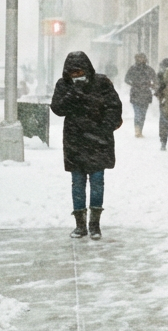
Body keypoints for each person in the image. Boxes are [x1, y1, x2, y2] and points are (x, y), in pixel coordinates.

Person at [51, 51, 123, 240]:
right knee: (78, 183)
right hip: (75, 141)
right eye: (73, 73)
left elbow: (114, 107)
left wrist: (104, 127)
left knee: (97, 182)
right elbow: (57, 108)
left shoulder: (102, 83)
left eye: (80, 71)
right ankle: (80, 225)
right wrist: (73, 94)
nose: (77, 76)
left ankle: (95, 225)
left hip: (98, 141)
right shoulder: (63, 85)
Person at [124, 53, 156, 138]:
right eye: (139, 58)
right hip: (136, 93)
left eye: (142, 58)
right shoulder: (133, 69)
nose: (141, 59)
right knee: (138, 113)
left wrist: (152, 85)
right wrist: (134, 84)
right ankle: (137, 130)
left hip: (145, 94)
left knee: (143, 114)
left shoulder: (149, 69)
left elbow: (155, 80)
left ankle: (140, 129)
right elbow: (126, 79)